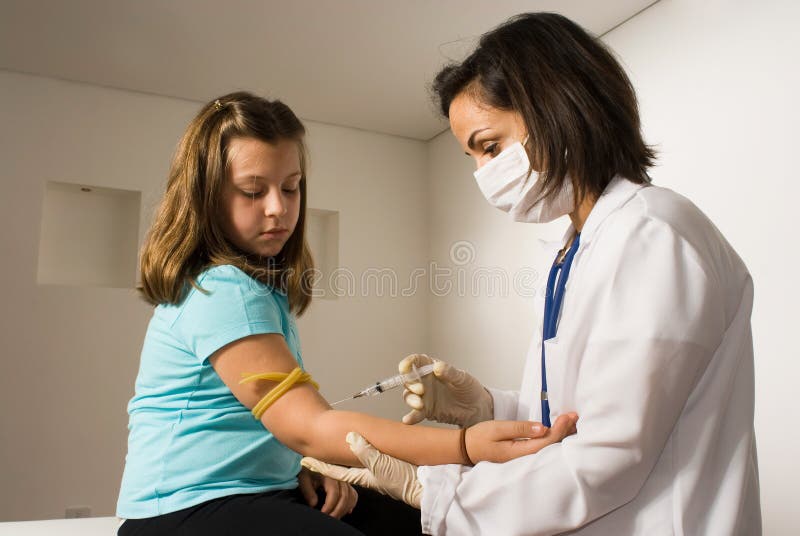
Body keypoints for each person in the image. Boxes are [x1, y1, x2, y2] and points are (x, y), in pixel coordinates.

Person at [302, 13, 762, 535]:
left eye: (490, 146)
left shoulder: (654, 237)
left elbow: (610, 454)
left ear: (557, 108)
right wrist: (487, 406)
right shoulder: (578, 246)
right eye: (472, 157)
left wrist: (432, 491)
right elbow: (578, 413)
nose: (483, 174)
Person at [115, 91, 579, 536]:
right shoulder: (222, 290)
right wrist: (463, 448)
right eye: (252, 191)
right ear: (205, 196)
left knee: (420, 521)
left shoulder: (254, 288)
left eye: (291, 188)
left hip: (254, 492)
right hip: (183, 511)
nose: (278, 208)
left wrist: (295, 470)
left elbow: (249, 427)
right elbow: (311, 427)